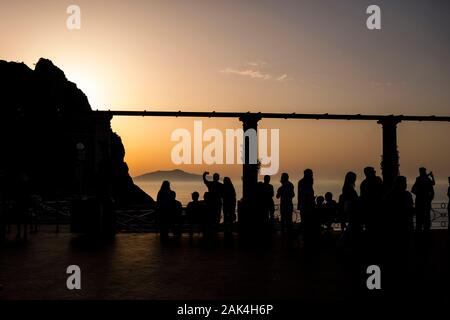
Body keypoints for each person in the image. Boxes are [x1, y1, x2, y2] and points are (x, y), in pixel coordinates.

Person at [360, 167, 383, 237]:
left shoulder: (364, 183)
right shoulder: (377, 180)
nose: (375, 173)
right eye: (373, 171)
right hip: (373, 208)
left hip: (371, 208)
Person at [411, 167, 435, 233]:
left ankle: (421, 232)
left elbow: (413, 189)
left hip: (421, 201)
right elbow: (433, 184)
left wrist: (418, 194)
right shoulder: (423, 179)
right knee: (424, 218)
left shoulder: (420, 179)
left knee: (421, 218)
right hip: (424, 201)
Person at [338, 171, 360, 237]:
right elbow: (352, 198)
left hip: (349, 207)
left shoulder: (346, 187)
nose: (355, 179)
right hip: (350, 207)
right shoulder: (348, 188)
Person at [298, 169, 315, 243]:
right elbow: (303, 194)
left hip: (305, 205)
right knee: (306, 221)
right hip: (305, 205)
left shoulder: (305, 182)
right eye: (311, 174)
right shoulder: (304, 182)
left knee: (306, 221)